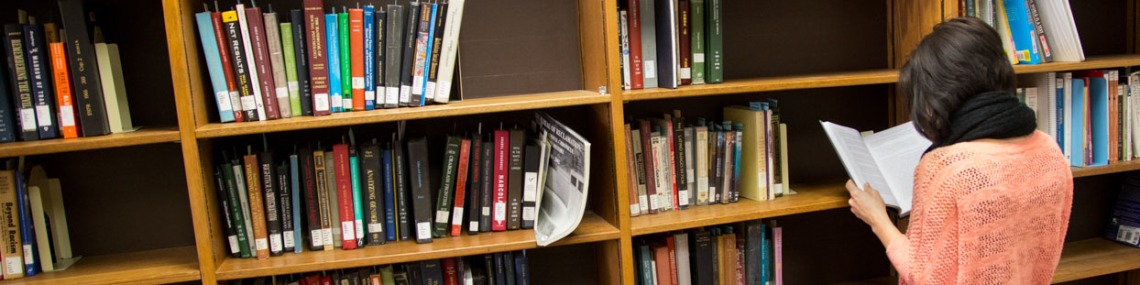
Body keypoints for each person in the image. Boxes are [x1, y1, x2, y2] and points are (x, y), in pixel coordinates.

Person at [846, 17, 1073, 284]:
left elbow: (924, 277)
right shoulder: (1050, 152)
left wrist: (878, 220)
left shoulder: (946, 169)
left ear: (939, 96)